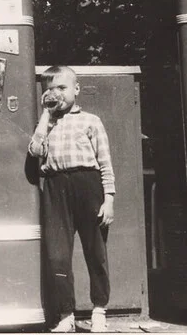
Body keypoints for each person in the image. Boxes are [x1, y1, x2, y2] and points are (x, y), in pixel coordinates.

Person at [28, 66, 115, 333]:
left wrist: (109, 198)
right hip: (56, 187)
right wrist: (46, 114)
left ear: (76, 89)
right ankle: (66, 314)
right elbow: (34, 150)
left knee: (95, 252)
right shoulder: (46, 124)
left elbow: (105, 162)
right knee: (58, 256)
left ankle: (99, 310)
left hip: (88, 186)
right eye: (50, 90)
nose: (57, 94)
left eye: (62, 88)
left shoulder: (91, 120)